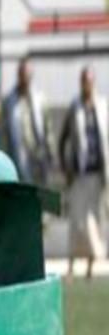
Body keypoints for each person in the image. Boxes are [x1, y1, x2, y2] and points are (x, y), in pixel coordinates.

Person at [59, 65, 109, 279]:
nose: (86, 85)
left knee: (95, 219)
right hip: (79, 174)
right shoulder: (74, 107)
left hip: (98, 174)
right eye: (83, 81)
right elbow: (63, 140)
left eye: (89, 81)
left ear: (93, 83)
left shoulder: (102, 105)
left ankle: (90, 265)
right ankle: (71, 264)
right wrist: (65, 168)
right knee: (77, 221)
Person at [0, 57, 54, 187]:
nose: (25, 78)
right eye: (22, 75)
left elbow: (48, 131)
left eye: (28, 75)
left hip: (38, 159)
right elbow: (3, 134)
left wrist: (51, 155)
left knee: (40, 197)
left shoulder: (40, 100)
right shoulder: (9, 101)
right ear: (18, 75)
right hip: (18, 159)